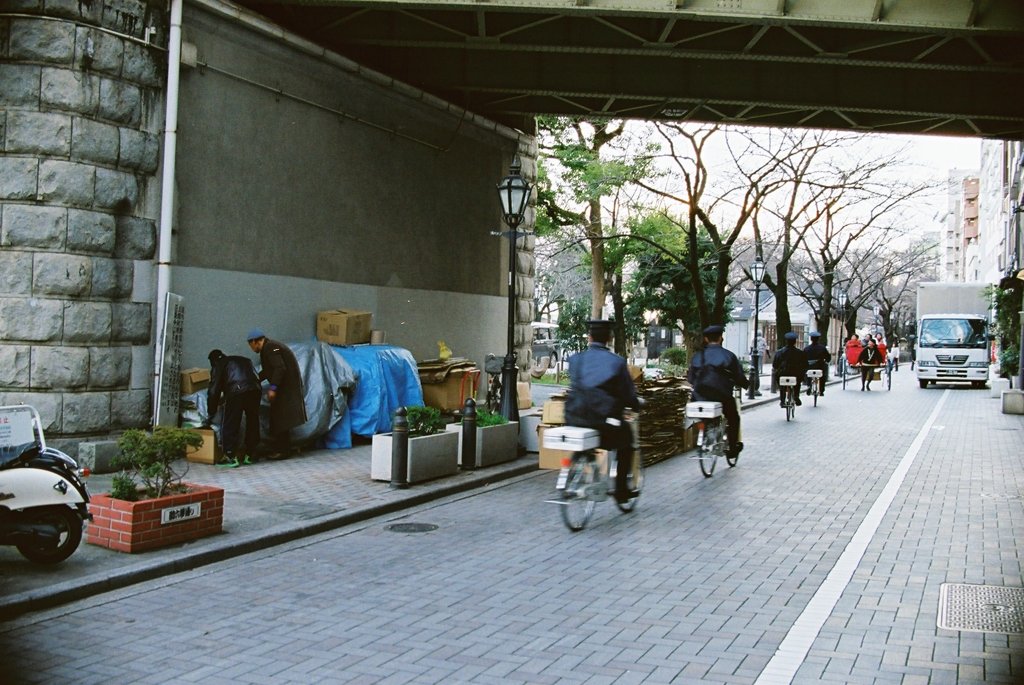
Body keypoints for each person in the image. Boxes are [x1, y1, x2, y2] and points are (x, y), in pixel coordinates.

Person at [564, 319, 640, 504]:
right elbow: (627, 393)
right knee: (626, 443)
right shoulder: (617, 363)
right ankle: (621, 491)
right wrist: (635, 405)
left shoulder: (575, 360)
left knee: (585, 444)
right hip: (604, 421)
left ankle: (575, 469)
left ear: (589, 338)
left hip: (574, 417)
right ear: (609, 339)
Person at [687, 324, 747, 458]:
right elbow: (738, 376)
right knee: (733, 417)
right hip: (722, 396)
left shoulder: (698, 356)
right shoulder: (728, 356)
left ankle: (705, 434)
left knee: (703, 416)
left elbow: (691, 378)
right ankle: (732, 449)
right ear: (721, 338)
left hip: (700, 396)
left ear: (706, 339)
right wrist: (746, 384)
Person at [246, 329, 308, 459]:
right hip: (284, 388)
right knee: (278, 419)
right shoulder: (268, 348)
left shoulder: (270, 347)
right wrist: (254, 379)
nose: (251, 348)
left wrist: (273, 387)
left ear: (255, 341)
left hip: (285, 389)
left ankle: (282, 451)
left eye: (250, 344)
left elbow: (280, 368)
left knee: (280, 419)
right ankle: (281, 449)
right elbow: (269, 370)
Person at [206, 349, 261, 468]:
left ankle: (230, 456)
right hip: (255, 389)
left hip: (237, 391)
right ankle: (251, 454)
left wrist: (211, 411)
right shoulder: (244, 360)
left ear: (213, 361)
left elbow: (213, 391)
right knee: (253, 420)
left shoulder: (219, 364)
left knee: (231, 421)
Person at [772, 331, 808, 406]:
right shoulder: (800, 353)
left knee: (781, 383)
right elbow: (805, 365)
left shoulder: (779, 352)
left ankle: (782, 400)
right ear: (795, 342)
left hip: (783, 374)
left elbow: (775, 365)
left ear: (786, 341)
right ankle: (796, 396)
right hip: (796, 374)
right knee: (797, 383)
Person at [802, 331, 832, 397]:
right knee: (823, 376)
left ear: (811, 339)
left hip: (809, 367)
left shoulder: (806, 349)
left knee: (807, 375)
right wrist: (827, 360)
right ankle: (821, 390)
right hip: (819, 367)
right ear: (818, 339)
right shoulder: (822, 348)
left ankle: (808, 386)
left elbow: (803, 359)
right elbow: (828, 358)